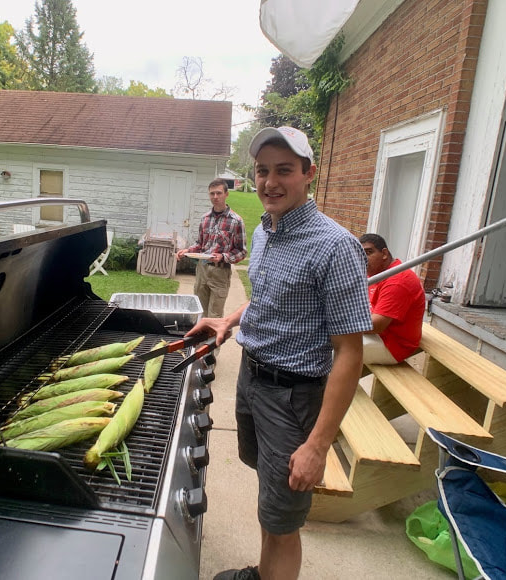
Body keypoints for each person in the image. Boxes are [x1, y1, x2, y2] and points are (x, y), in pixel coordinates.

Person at [187, 126, 372, 580]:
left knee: (284, 523)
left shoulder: (336, 247)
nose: (270, 182)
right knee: (271, 501)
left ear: (309, 173)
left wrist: (318, 445)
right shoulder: (265, 231)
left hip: (293, 398)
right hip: (253, 381)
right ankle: (263, 571)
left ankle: (274, 569)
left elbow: (350, 353)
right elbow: (269, 298)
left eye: (284, 170)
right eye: (263, 171)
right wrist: (228, 320)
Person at [176, 178, 247, 318]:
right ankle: (200, 340)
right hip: (202, 270)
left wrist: (224, 257)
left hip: (220, 272)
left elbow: (242, 251)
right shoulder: (205, 219)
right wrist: (188, 251)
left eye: (219, 193)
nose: (215, 197)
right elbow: (200, 244)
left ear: (226, 194)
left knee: (215, 315)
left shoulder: (236, 221)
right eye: (212, 193)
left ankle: (212, 340)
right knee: (199, 312)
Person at [360, 233, 426, 365]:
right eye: (359, 255)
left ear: (384, 253)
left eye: (368, 252)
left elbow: (377, 325)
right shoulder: (378, 273)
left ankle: (327, 385)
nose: (363, 259)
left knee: (331, 348)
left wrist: (338, 323)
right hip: (381, 335)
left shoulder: (397, 280)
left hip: (393, 346)